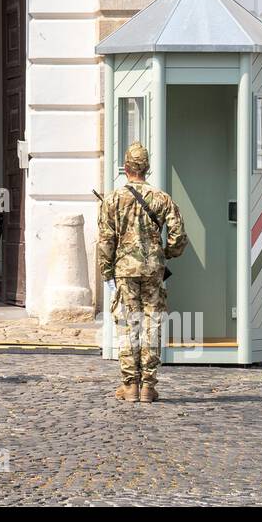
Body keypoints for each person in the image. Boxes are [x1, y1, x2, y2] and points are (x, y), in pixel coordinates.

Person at [96, 142, 187, 404]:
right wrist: (166, 253)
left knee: (128, 324)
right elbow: (178, 236)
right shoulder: (161, 198)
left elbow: (105, 241)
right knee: (152, 324)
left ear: (126, 168)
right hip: (153, 270)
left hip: (125, 270)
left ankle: (130, 386)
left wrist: (107, 272)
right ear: (146, 168)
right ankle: (148, 385)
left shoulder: (112, 199)